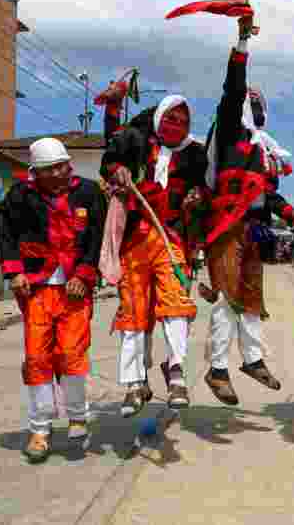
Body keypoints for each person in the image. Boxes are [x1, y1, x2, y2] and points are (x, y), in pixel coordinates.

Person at [99, 91, 207, 416]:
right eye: (172, 118)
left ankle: (176, 373)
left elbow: (204, 188)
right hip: (134, 239)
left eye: (184, 121)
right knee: (133, 311)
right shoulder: (135, 140)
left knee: (176, 304)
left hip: (171, 239)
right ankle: (133, 383)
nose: (177, 125)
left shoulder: (195, 155)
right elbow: (110, 159)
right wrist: (117, 171)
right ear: (159, 118)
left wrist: (195, 197)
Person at [0, 138, 106, 463]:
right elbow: (6, 234)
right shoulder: (19, 195)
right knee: (37, 358)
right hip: (36, 288)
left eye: (63, 165)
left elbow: (96, 236)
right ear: (37, 172)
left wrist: (85, 275)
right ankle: (40, 431)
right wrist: (14, 272)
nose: (60, 173)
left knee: (72, 354)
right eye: (51, 169)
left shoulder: (88, 192)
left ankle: (77, 417)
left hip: (75, 289)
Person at [201, 14, 285, 405]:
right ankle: (217, 369)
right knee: (226, 298)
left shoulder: (263, 150)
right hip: (226, 227)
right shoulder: (231, 134)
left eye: (259, 104)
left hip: (255, 229)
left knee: (251, 296)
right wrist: (242, 45)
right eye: (250, 104)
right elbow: (233, 92)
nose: (255, 108)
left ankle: (252, 359)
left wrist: (290, 213)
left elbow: (269, 194)